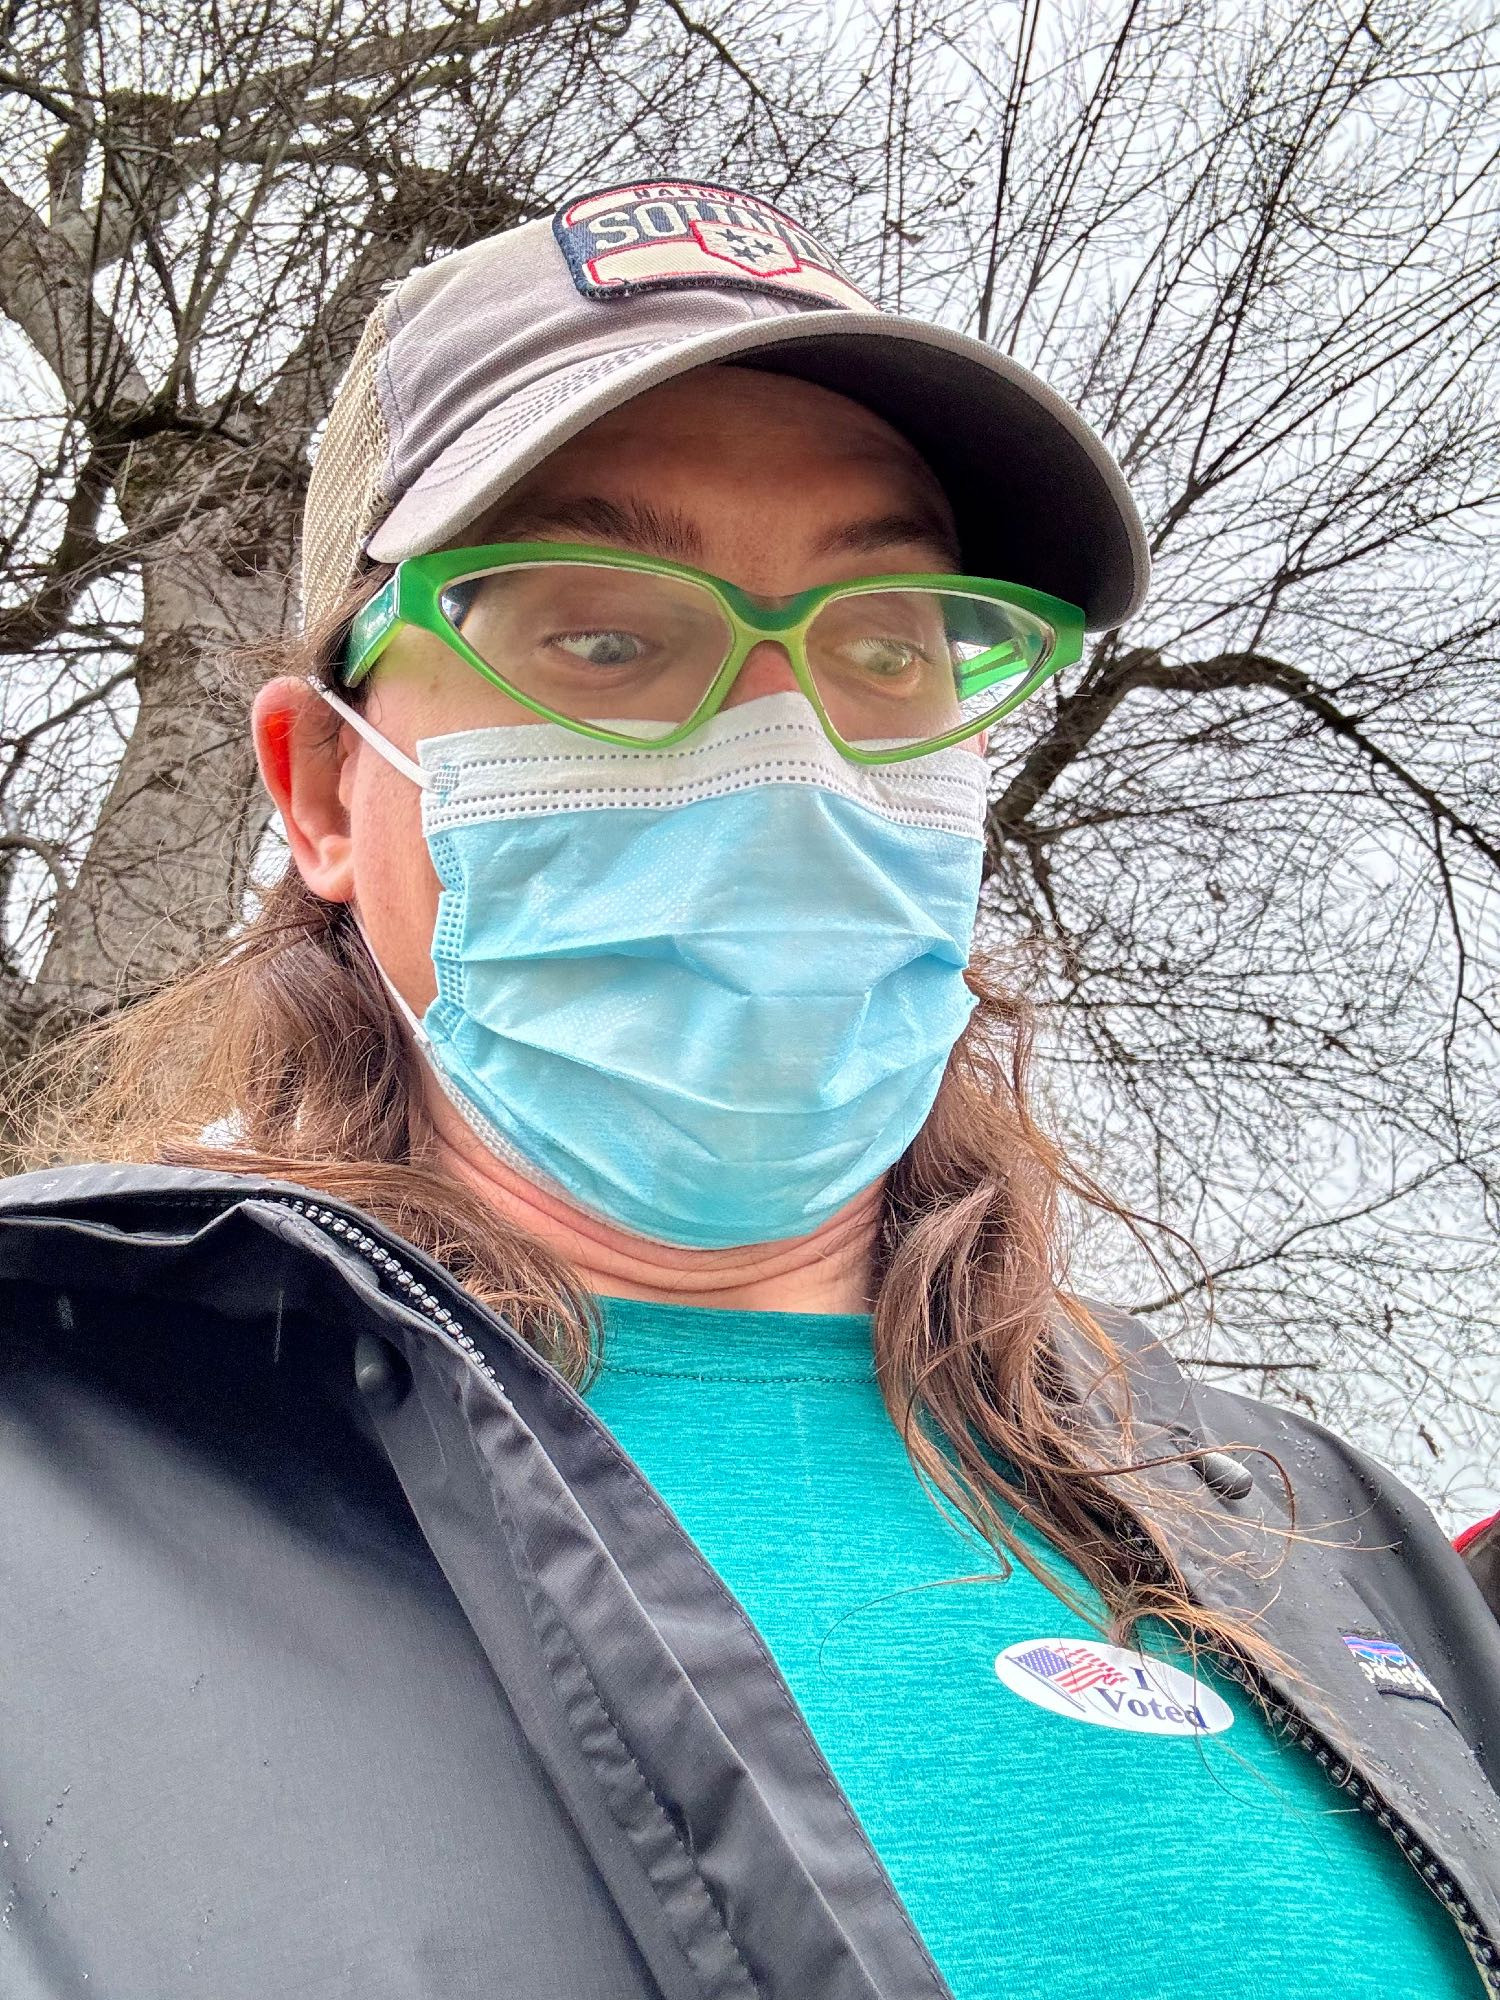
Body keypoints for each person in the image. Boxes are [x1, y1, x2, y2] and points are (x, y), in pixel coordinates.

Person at [3, 178, 1498, 2000]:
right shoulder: (54, 1467)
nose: (784, 746)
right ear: (324, 789)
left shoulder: (1319, 1531)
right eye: (603, 637)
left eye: (887, 647)